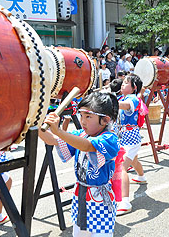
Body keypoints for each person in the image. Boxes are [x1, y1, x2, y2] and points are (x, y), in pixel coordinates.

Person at [38, 92, 120, 237]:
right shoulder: (82, 134)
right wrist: (36, 123)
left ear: (105, 120)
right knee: (79, 233)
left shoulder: (110, 139)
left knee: (100, 234)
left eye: (88, 116)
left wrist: (59, 131)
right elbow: (53, 140)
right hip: (81, 194)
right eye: (81, 115)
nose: (83, 121)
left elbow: (88, 146)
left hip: (99, 199)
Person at [116, 74, 147, 216]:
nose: (123, 85)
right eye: (123, 82)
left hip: (131, 138)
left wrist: (110, 102)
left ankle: (125, 202)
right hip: (125, 137)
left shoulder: (132, 99)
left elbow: (127, 106)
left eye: (126, 83)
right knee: (133, 160)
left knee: (121, 167)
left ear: (134, 88)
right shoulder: (123, 98)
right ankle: (141, 176)